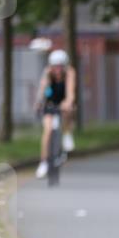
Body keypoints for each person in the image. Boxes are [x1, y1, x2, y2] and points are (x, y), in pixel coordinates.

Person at [34, 49, 77, 179]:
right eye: (55, 67)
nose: (57, 70)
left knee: (69, 109)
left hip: (63, 102)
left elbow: (70, 92)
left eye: (60, 67)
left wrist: (68, 102)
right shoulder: (48, 73)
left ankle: (66, 133)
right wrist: (38, 103)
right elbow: (42, 90)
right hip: (50, 103)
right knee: (47, 131)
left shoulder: (70, 72)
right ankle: (44, 162)